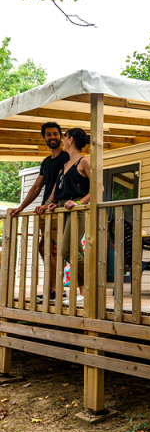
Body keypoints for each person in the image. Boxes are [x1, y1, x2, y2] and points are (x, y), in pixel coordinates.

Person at [11, 122, 70, 302]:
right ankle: (55, 289)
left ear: (61, 136)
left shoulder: (67, 157)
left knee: (53, 249)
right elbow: (37, 187)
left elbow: (63, 183)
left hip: (57, 208)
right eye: (48, 134)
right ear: (44, 137)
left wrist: (49, 203)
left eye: (55, 134)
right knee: (45, 249)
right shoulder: (46, 162)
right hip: (46, 211)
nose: (52, 137)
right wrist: (21, 207)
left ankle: (56, 290)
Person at [47, 128, 90, 304]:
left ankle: (93, 282)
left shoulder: (84, 161)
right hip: (65, 209)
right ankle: (84, 293)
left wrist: (79, 203)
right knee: (75, 251)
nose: (62, 140)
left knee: (66, 250)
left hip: (77, 210)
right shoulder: (65, 165)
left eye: (64, 137)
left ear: (70, 139)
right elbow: (58, 190)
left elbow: (99, 188)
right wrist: (52, 203)